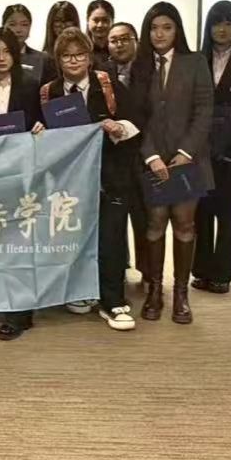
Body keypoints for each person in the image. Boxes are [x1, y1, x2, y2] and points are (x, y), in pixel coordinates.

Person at [42, 28, 142, 332]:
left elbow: (136, 121)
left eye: (80, 55)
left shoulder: (107, 84)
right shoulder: (48, 92)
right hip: (67, 181)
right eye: (67, 56)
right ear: (58, 60)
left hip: (108, 176)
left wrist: (118, 127)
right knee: (73, 237)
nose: (74, 61)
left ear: (89, 57)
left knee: (111, 237)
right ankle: (79, 291)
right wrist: (38, 130)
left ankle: (112, 300)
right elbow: (38, 130)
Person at [134, 2, 214, 325]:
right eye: (154, 28)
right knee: (155, 224)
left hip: (188, 161)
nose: (160, 34)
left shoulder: (195, 62)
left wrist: (186, 152)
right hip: (152, 161)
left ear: (177, 30)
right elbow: (134, 115)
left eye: (166, 27)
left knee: (184, 224)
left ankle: (181, 294)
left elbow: (205, 110)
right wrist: (151, 155)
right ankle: (155, 290)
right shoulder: (139, 66)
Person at [0, 27, 45, 340]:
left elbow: (41, 122)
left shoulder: (29, 84)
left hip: (21, 172)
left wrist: (40, 127)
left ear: (15, 54)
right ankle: (6, 303)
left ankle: (19, 311)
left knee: (20, 242)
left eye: (6, 51)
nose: (1, 58)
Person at [192, 1, 231, 295]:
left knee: (226, 211)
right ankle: (201, 270)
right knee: (201, 211)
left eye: (229, 23)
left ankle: (222, 273)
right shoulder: (196, 61)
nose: (223, 29)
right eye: (217, 23)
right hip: (199, 149)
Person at [107, 22, 149, 283]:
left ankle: (149, 274)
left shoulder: (150, 71)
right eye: (114, 40)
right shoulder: (101, 73)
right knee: (114, 221)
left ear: (136, 41)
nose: (119, 44)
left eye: (125, 39)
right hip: (114, 158)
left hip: (145, 154)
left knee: (145, 219)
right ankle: (118, 271)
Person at [2, 3, 56, 83]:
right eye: (12, 24)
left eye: (24, 24)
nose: (18, 30)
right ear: (3, 26)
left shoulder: (43, 59)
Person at [85, 0, 115, 69]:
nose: (100, 25)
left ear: (112, 21)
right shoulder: (81, 49)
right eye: (96, 20)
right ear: (87, 20)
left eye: (105, 20)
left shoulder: (118, 48)